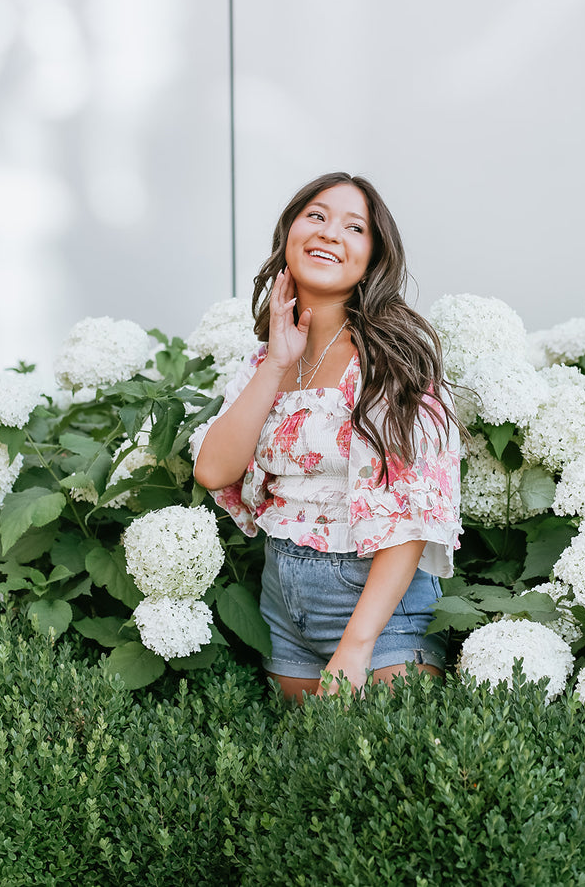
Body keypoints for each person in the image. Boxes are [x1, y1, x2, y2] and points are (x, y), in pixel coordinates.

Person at [192, 173, 463, 700]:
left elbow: (411, 516)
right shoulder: (264, 362)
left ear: (374, 256)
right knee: (308, 769)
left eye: (353, 226)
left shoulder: (395, 364)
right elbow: (213, 471)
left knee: (385, 766)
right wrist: (275, 365)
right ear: (289, 232)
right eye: (316, 216)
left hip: (376, 606)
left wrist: (356, 646)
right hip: (283, 594)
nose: (329, 233)